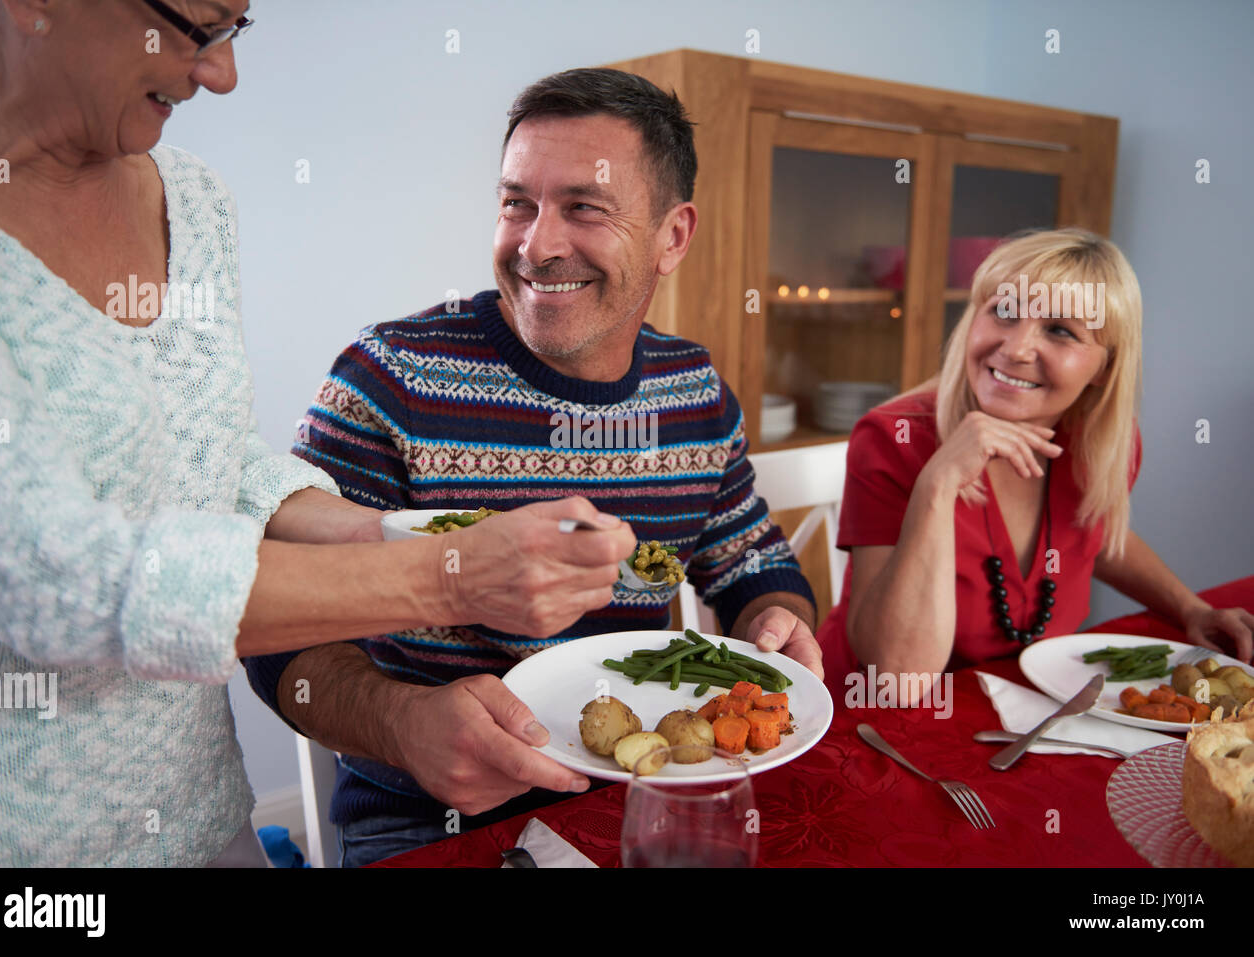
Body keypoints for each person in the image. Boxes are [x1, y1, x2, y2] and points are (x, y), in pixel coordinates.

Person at [0, 0, 632, 866]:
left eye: (239, 26)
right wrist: (452, 578)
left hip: (202, 812)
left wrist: (410, 531)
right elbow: (65, 579)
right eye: (197, 24)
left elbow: (219, 462)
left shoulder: (192, 200)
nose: (222, 73)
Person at [243, 67, 824, 865]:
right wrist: (400, 723)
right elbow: (269, 628)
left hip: (640, 789)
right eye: (518, 202)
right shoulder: (389, 374)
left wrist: (774, 619)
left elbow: (751, 559)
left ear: (672, 235)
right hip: (425, 810)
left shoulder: (695, 392)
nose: (536, 245)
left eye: (583, 207)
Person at [816, 227, 1253, 699]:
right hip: (872, 720)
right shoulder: (893, 438)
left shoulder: (1100, 443)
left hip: (1024, 707)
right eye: (1004, 311)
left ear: (1105, 368)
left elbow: (1093, 535)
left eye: (1060, 330)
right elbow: (897, 681)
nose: (1017, 349)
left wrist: (1190, 609)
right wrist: (938, 485)